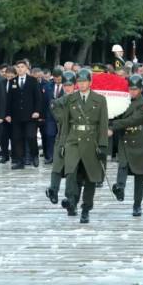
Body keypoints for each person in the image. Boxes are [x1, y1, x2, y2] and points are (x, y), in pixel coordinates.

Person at [61, 69, 109, 223]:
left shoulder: (100, 100)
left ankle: (86, 208)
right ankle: (71, 199)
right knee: (71, 172)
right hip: (73, 139)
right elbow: (65, 124)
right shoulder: (71, 99)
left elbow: (103, 124)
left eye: (84, 81)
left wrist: (102, 145)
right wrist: (62, 144)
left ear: (90, 82)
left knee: (90, 177)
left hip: (91, 140)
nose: (81, 84)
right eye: (79, 82)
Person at [110, 75, 143, 217]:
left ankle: (137, 204)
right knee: (122, 164)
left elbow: (133, 120)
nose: (132, 91)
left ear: (141, 89)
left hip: (138, 139)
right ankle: (120, 188)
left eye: (135, 89)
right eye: (130, 89)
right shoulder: (123, 101)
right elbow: (116, 114)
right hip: (124, 138)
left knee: (139, 173)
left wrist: (113, 126)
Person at [45, 71, 77, 204]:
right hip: (62, 137)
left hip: (76, 139)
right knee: (57, 166)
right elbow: (62, 119)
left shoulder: (81, 100)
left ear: (75, 85)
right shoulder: (56, 102)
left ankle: (70, 196)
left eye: (70, 85)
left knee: (71, 169)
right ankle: (53, 190)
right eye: (65, 85)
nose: (67, 88)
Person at [6, 60, 42, 169]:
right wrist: (8, 114)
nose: (20, 69)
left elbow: (38, 98)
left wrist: (37, 111)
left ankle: (34, 155)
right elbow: (9, 100)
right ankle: (20, 161)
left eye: (22, 67)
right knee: (17, 138)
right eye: (18, 67)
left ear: (27, 68)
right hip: (17, 116)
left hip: (30, 115)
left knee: (31, 136)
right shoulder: (12, 81)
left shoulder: (33, 81)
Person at [41, 68, 65, 165]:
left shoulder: (67, 86)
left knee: (62, 137)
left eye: (59, 78)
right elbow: (44, 101)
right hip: (50, 116)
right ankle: (50, 156)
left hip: (63, 116)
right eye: (55, 78)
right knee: (50, 136)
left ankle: (62, 157)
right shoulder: (48, 86)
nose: (57, 80)